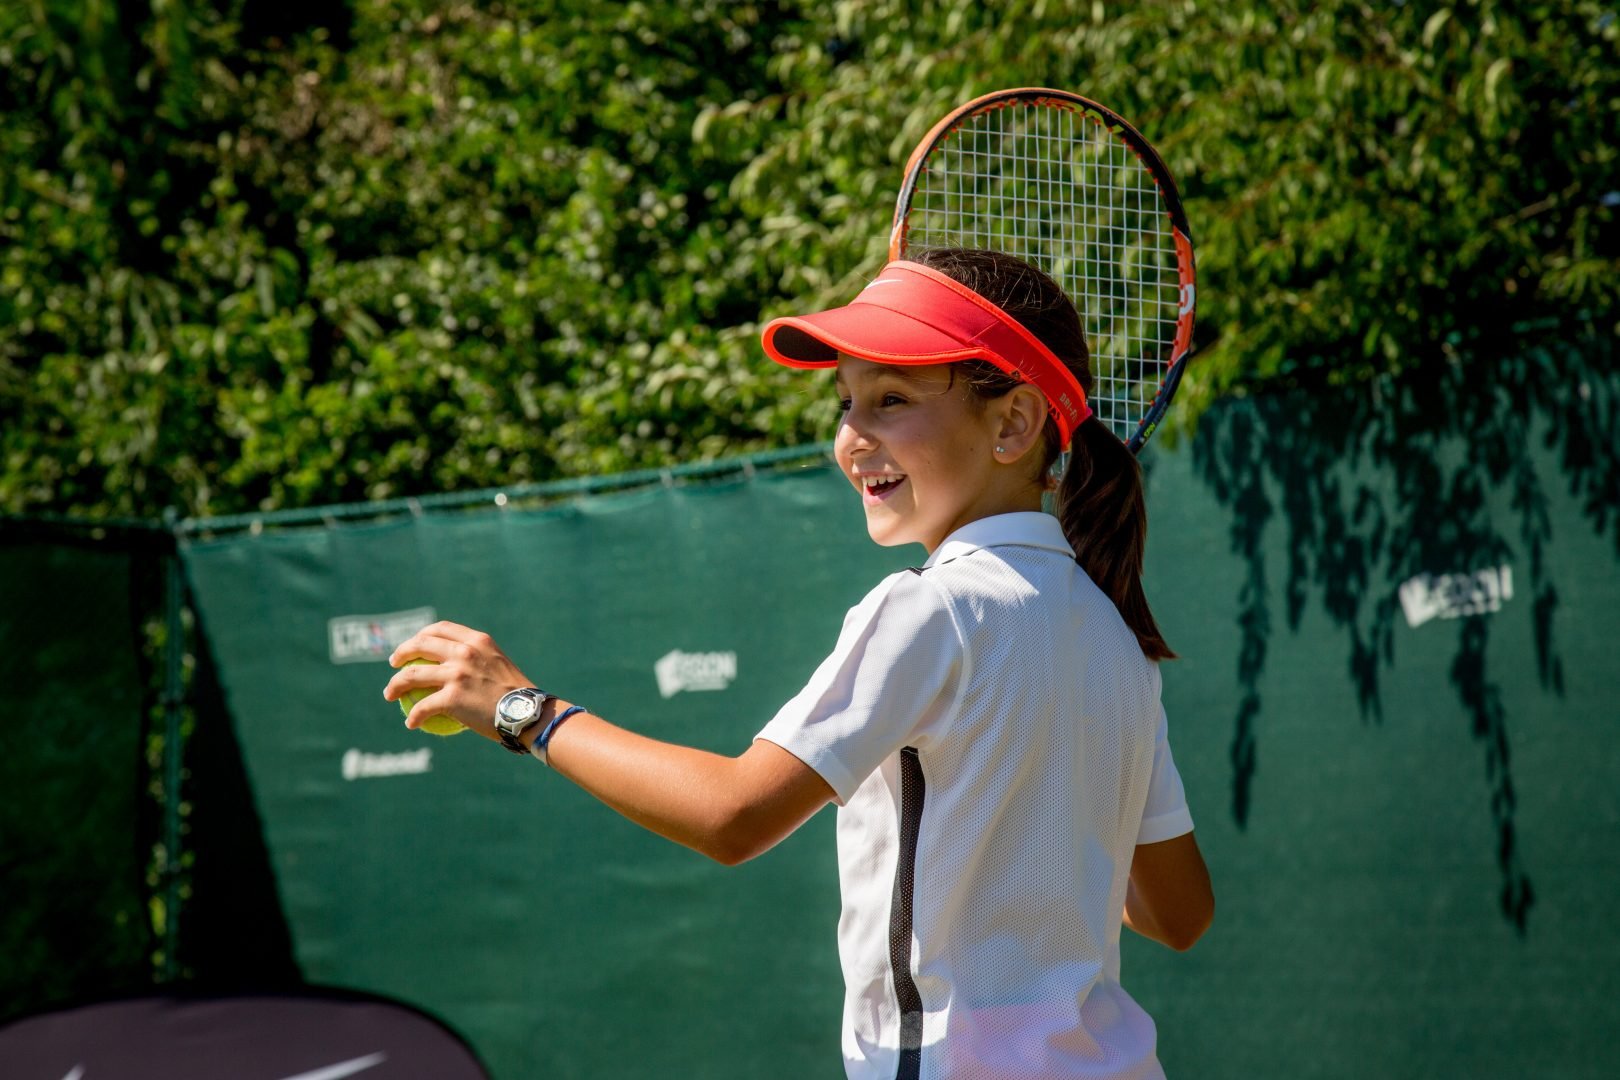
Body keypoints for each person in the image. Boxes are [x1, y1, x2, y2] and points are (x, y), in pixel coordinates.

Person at [384, 247, 1214, 1079]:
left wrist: (526, 711)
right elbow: (1177, 912)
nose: (851, 438)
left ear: (1013, 423)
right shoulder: (1117, 640)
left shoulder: (929, 608)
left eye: (891, 400)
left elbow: (733, 816)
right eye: (847, 402)